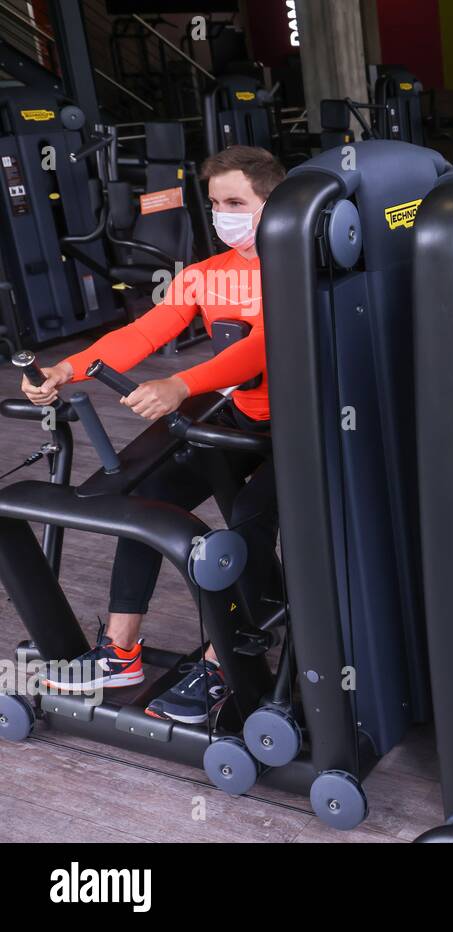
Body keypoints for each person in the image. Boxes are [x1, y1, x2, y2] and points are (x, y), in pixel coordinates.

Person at [21, 145, 286, 724]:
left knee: (248, 520)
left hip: (305, 430)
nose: (223, 215)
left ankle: (224, 665)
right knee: (148, 505)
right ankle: (120, 653)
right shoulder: (205, 276)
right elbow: (143, 332)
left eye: (236, 202)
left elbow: (261, 347)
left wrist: (180, 385)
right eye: (215, 203)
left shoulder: (296, 273)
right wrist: (67, 369)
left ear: (276, 205)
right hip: (240, 419)